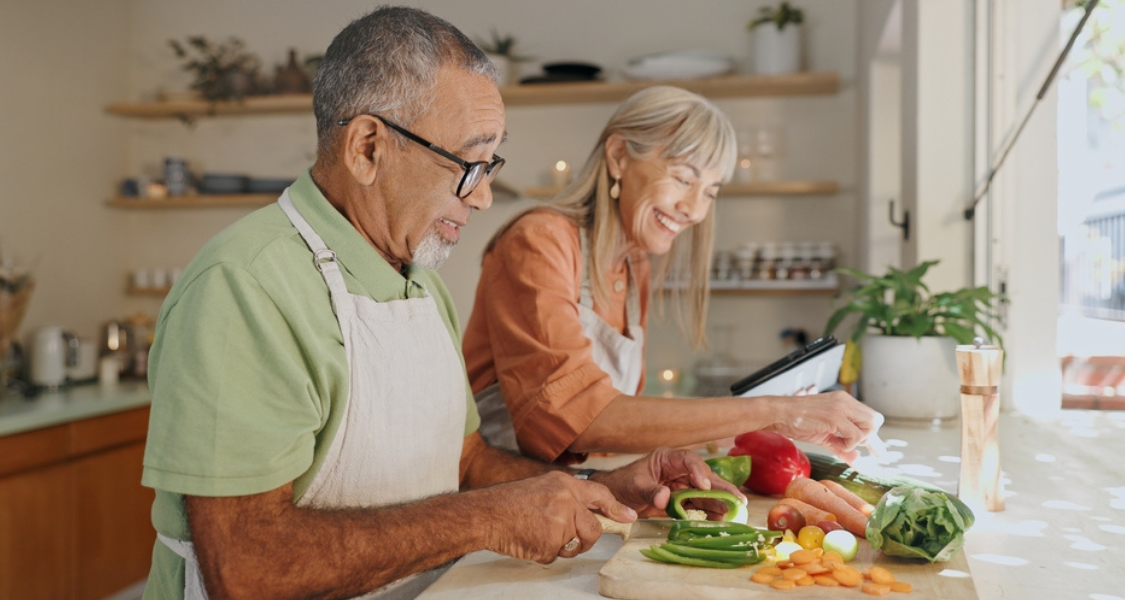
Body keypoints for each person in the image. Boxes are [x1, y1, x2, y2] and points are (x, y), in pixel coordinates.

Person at [140, 8, 743, 600]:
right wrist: (486, 518)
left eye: (490, 164)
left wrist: (601, 486)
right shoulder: (243, 287)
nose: (482, 198)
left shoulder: (420, 282)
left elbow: (467, 462)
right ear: (368, 148)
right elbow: (248, 569)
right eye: (468, 164)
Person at [462, 85, 881, 466]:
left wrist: (771, 422)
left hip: (571, 493)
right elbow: (579, 416)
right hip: (501, 500)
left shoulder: (634, 262)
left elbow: (615, 426)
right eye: (683, 178)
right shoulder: (538, 241)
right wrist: (778, 410)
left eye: (711, 192)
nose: (696, 211)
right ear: (619, 156)